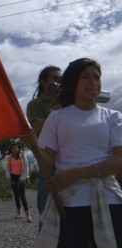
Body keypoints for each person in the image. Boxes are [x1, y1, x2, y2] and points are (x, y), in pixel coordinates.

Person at [25, 58, 122, 247]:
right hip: (70, 204)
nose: (93, 81)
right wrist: (34, 146)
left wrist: (74, 174)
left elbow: (119, 160)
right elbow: (47, 163)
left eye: (96, 76)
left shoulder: (114, 117)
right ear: (72, 83)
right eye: (85, 76)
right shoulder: (57, 117)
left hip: (109, 201)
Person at [26, 65, 61, 230]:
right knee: (46, 209)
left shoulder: (68, 101)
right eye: (54, 78)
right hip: (50, 162)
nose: (58, 83)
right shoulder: (36, 104)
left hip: (73, 159)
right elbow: (41, 130)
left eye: (60, 79)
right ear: (44, 81)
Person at [5, 142, 32, 222]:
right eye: (13, 148)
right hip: (13, 177)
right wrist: (9, 178)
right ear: (11, 150)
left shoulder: (23, 157)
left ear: (18, 149)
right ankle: (19, 213)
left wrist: (23, 178)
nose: (14, 149)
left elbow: (26, 167)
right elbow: (7, 168)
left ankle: (28, 215)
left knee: (22, 196)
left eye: (16, 147)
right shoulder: (9, 158)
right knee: (16, 195)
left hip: (21, 177)